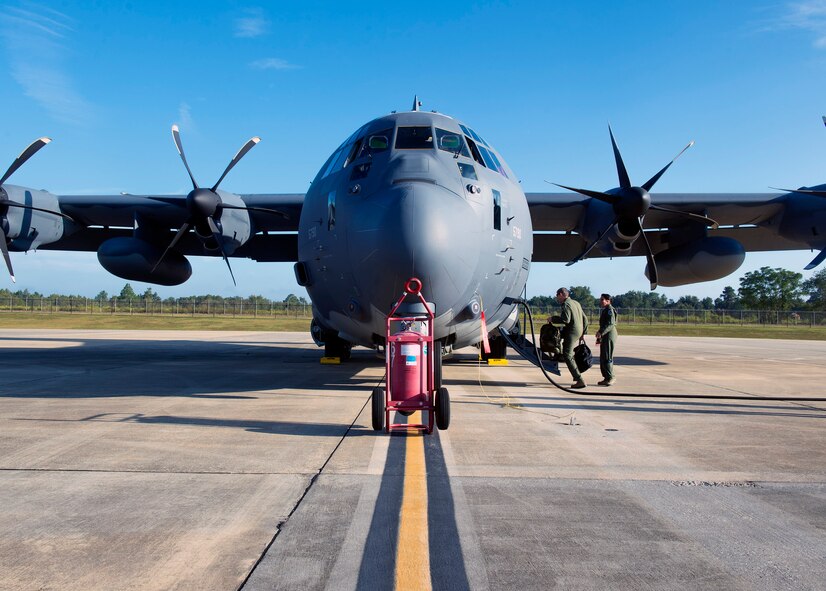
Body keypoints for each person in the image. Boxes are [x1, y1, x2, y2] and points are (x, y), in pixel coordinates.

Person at [548, 287, 588, 389]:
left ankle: (579, 379)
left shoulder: (566, 304)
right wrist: (583, 332)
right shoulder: (576, 303)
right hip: (578, 330)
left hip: (572, 331)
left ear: (561, 294)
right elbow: (585, 318)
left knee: (568, 354)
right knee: (559, 341)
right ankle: (558, 355)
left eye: (557, 296)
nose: (557, 298)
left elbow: (566, 320)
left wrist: (553, 318)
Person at [595, 293, 617, 386]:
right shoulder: (605, 310)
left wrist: (601, 332)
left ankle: (611, 377)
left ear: (608, 301)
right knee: (603, 357)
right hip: (605, 335)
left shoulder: (609, 310)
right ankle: (606, 377)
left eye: (602, 299)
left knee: (607, 356)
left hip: (609, 335)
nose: (601, 301)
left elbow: (610, 324)